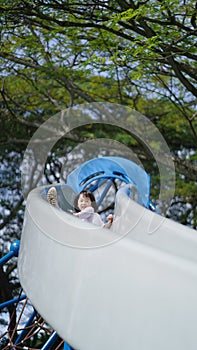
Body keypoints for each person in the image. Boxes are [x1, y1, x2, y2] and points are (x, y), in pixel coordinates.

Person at [47, 187, 113, 229]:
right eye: (81, 201)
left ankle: (58, 210)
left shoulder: (91, 211)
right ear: (77, 204)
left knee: (73, 218)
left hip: (91, 234)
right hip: (82, 233)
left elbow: (104, 228)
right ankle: (57, 209)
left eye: (87, 201)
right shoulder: (82, 219)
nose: (84, 203)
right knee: (72, 222)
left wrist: (110, 222)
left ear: (92, 203)